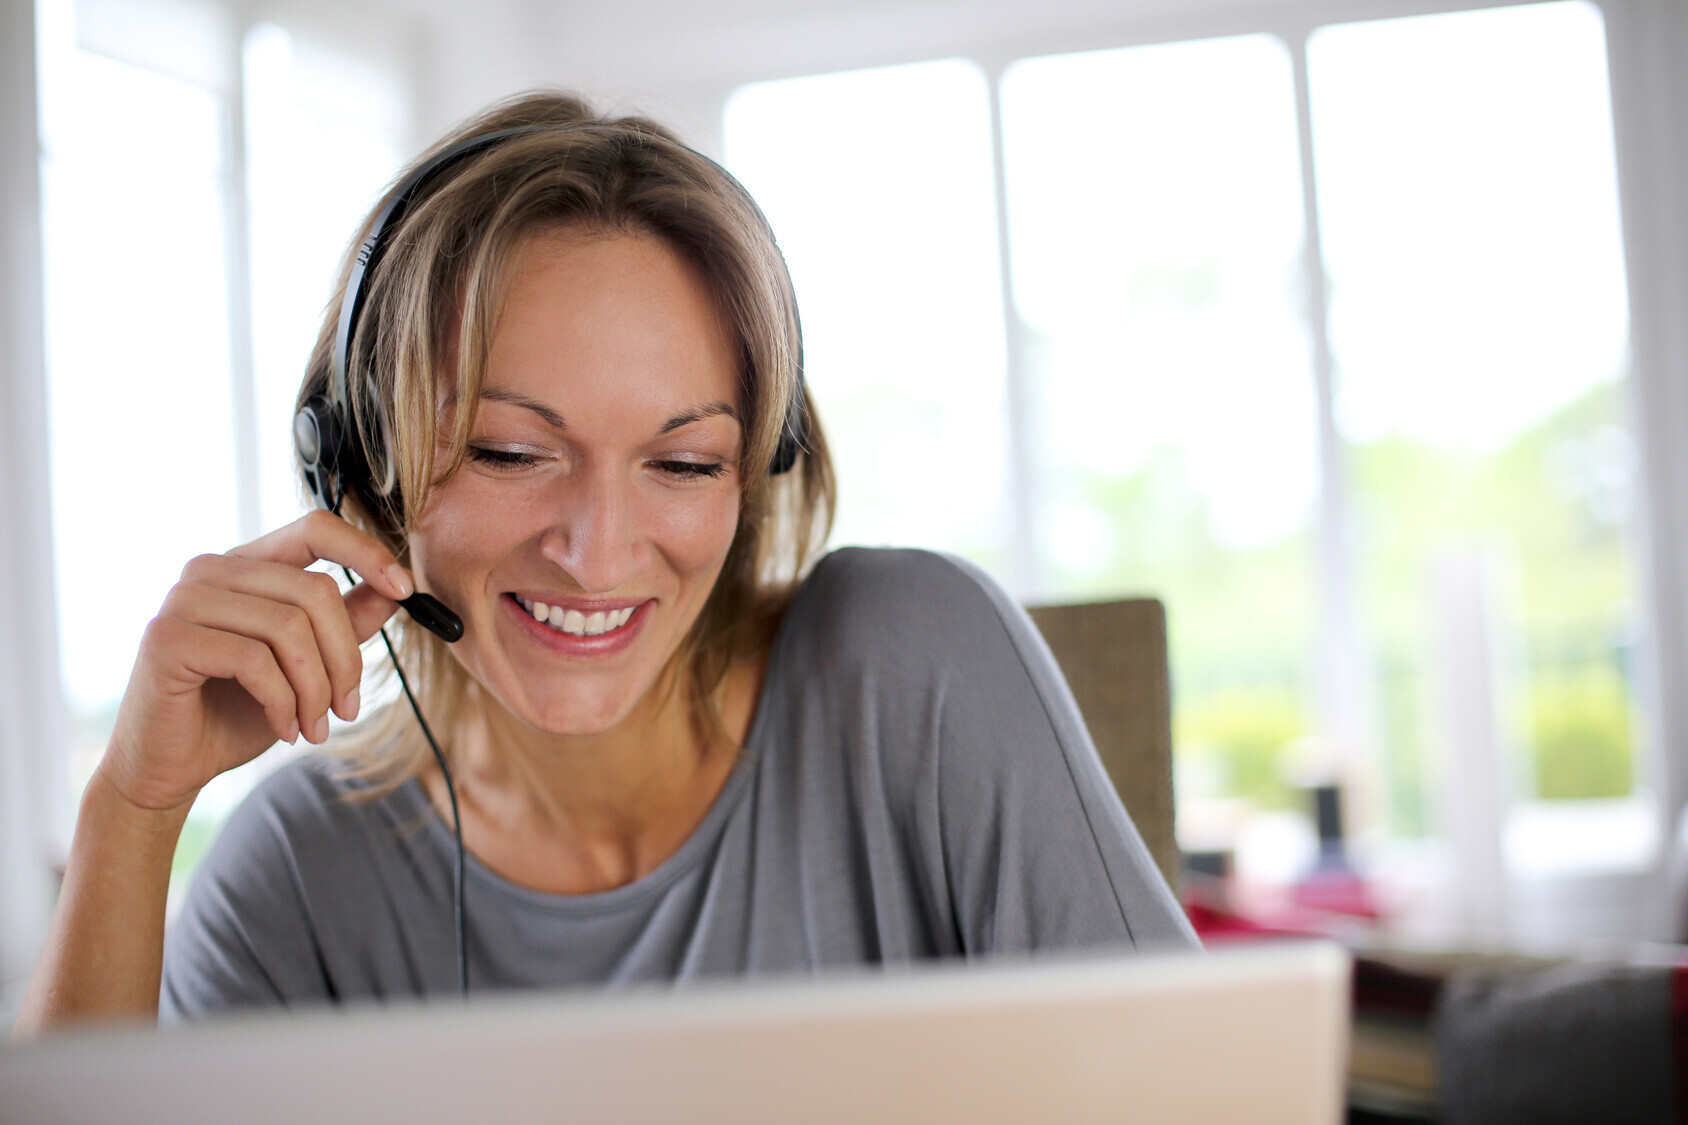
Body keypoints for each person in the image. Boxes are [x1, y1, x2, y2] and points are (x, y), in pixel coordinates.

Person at [14, 90, 1194, 1033]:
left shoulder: (912, 661)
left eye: (681, 465)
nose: (596, 550)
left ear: (754, 472)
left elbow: (1200, 1093)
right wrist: (135, 808)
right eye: (511, 451)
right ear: (360, 461)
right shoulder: (300, 875)